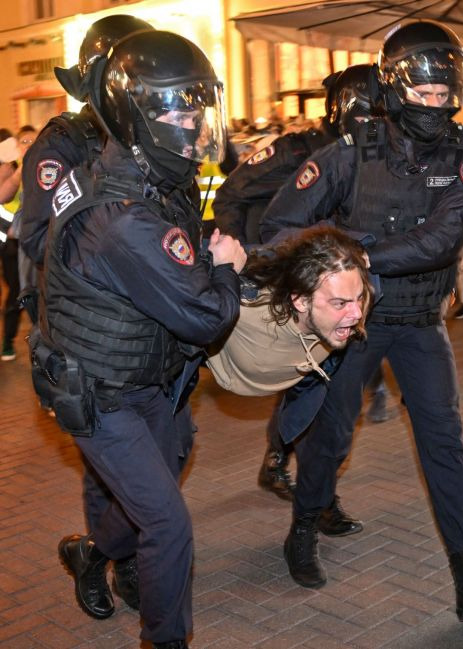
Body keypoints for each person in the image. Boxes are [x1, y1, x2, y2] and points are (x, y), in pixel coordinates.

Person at [260, 20, 463, 621]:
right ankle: (304, 527)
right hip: (351, 324)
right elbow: (276, 228)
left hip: (419, 323)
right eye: (423, 93)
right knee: (330, 436)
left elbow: (439, 242)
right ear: (395, 89)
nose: (434, 105)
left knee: (445, 443)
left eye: (444, 95)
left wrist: (351, 251)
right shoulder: (349, 153)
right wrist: (335, 258)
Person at [31, 30, 245, 649]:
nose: (192, 122)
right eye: (174, 108)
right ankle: (165, 639)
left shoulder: (142, 175)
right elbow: (205, 317)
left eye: (195, 106)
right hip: (103, 393)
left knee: (151, 488)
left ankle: (92, 552)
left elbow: (165, 265)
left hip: (148, 375)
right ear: (135, 116)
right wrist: (225, 266)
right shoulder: (122, 213)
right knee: (167, 524)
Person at [214, 63, 391, 503]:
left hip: (338, 298)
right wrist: (243, 266)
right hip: (287, 292)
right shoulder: (298, 151)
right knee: (303, 380)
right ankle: (289, 472)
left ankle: (312, 493)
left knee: (325, 394)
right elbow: (232, 192)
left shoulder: (374, 161)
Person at [19, 14, 154, 271]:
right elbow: (39, 240)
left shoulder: (145, 142)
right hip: (92, 304)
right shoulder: (61, 145)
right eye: (137, 83)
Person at [206, 224, 372, 396]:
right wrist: (223, 267)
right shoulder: (245, 307)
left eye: (358, 298)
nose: (357, 314)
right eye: (340, 303)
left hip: (309, 382)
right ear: (300, 301)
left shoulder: (357, 298)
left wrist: (357, 244)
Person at [0, 125, 36, 360]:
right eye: (24, 142)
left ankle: (40, 339)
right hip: (10, 242)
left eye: (34, 142)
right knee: (16, 291)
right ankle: (7, 342)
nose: (29, 146)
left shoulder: (43, 169)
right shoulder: (11, 169)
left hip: (33, 242)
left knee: (36, 292)